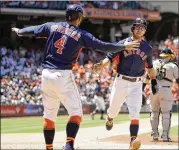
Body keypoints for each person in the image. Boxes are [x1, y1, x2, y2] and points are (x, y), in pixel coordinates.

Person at [12, 4, 140, 150]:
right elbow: (104, 46)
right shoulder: (81, 34)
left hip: (46, 74)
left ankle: (49, 147)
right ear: (79, 18)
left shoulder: (52, 26)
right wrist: (124, 46)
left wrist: (19, 31)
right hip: (63, 75)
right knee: (76, 113)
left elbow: (33, 30)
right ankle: (69, 145)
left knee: (49, 115)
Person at [93, 18, 158, 150]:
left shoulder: (147, 48)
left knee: (135, 113)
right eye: (137, 27)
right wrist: (101, 64)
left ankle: (132, 141)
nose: (139, 29)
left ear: (145, 30)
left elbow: (150, 67)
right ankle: (110, 118)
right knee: (113, 109)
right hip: (121, 81)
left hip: (137, 84)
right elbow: (110, 57)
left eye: (142, 27)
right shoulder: (123, 43)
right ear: (133, 28)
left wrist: (154, 81)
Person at [143, 48, 179, 142]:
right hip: (166, 89)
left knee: (154, 112)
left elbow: (147, 79)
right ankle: (165, 136)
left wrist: (143, 88)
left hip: (154, 89)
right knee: (166, 113)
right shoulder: (173, 65)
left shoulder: (154, 63)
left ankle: (154, 135)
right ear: (170, 55)